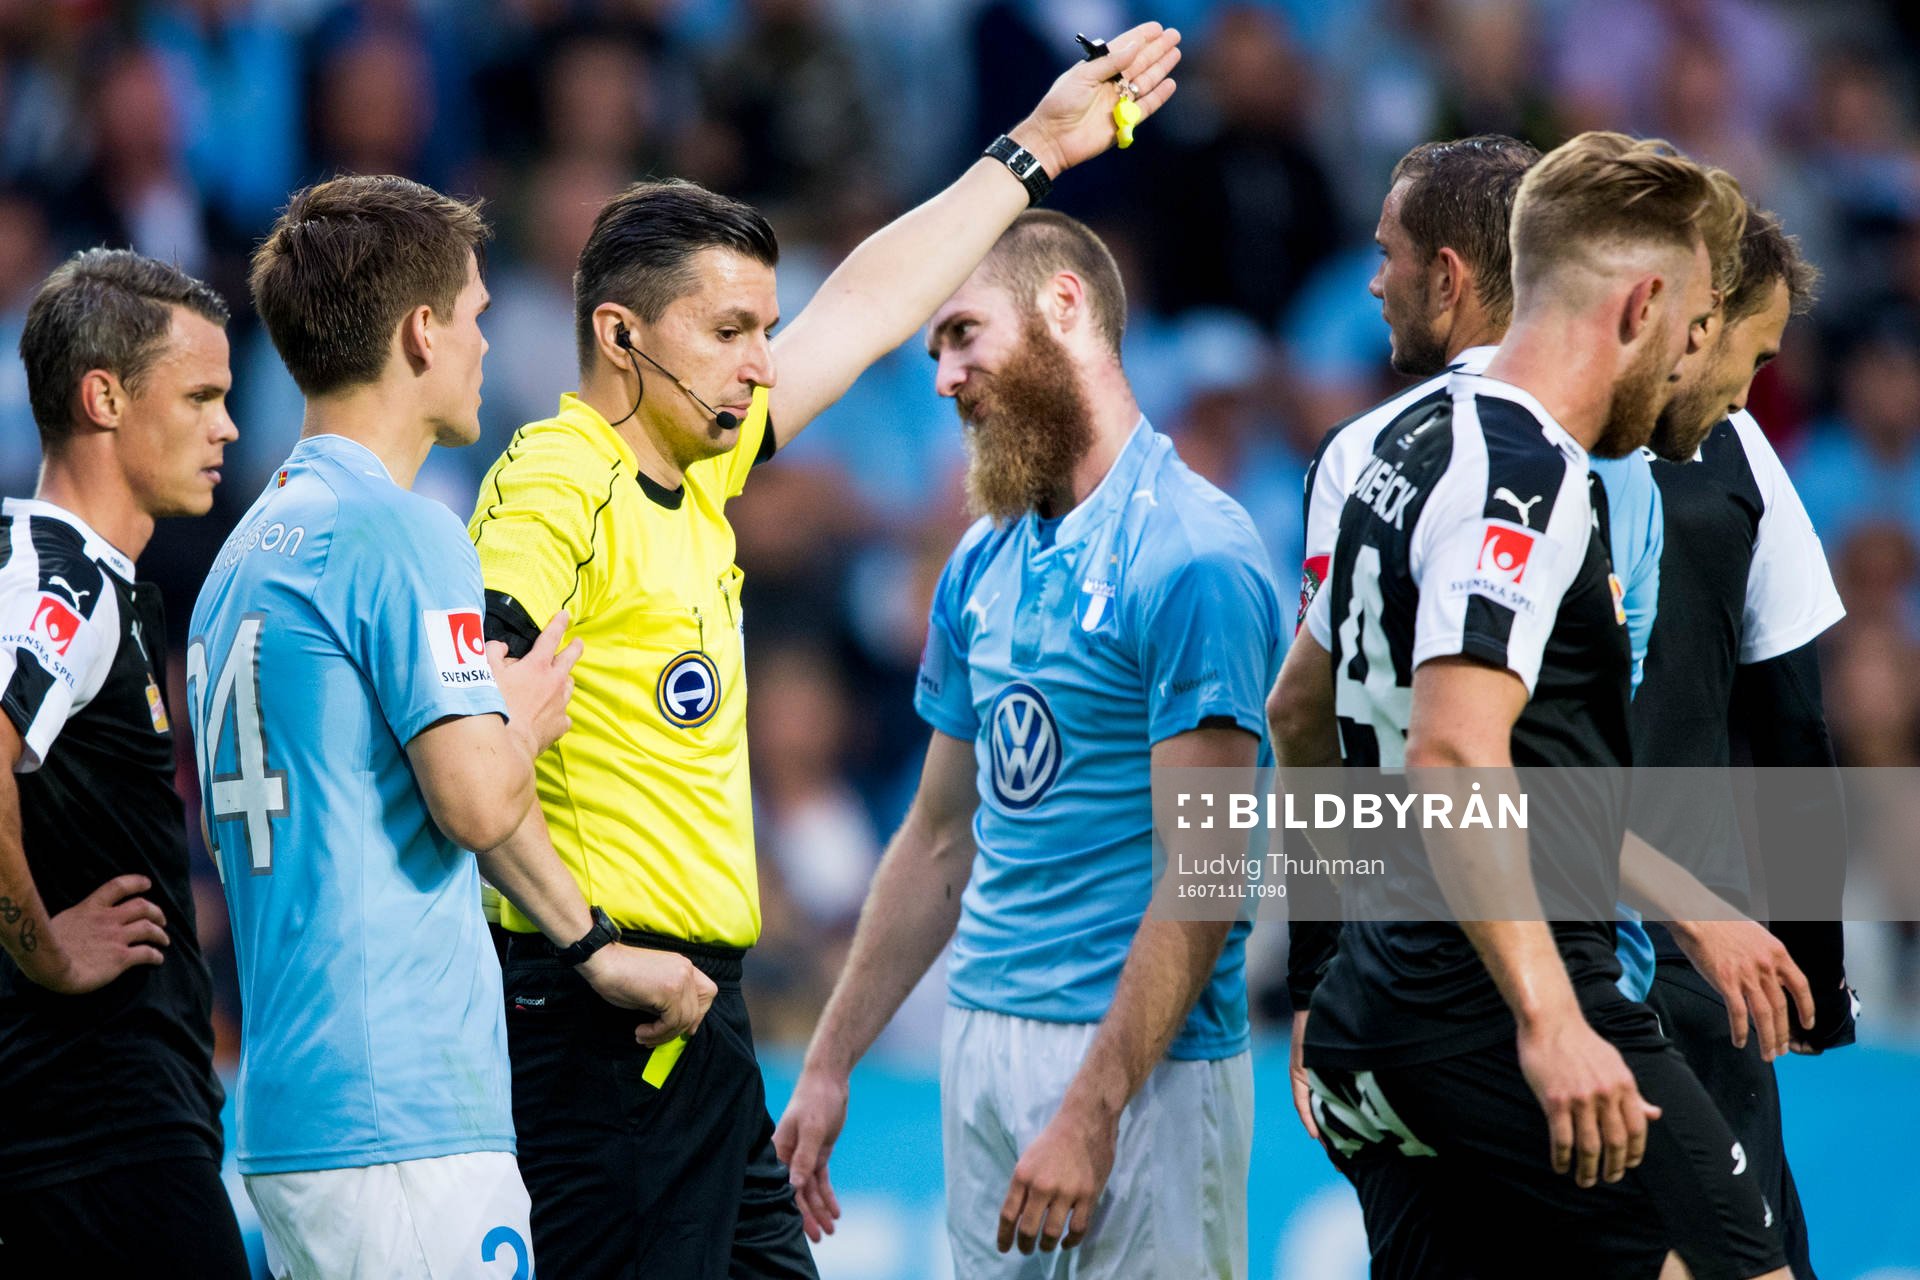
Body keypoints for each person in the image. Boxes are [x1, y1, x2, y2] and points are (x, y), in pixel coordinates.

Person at [467, 23, 1185, 1278]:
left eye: (765, 330)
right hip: (602, 1008)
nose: (762, 363)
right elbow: (466, 732)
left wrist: (1033, 151)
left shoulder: (692, 472)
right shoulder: (552, 484)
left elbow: (865, 300)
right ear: (624, 335)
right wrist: (592, 946)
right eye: (732, 330)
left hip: (698, 1011)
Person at [1268, 133, 1791, 1278]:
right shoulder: (1530, 476)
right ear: (1644, 304)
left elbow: (1301, 710)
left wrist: (1324, 967)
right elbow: (1457, 759)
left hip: (1376, 1009)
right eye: (1698, 328)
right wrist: (1553, 1020)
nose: (1694, 359)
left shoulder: (1397, 445)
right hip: (1497, 1003)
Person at [188, 174, 712, 1280]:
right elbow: (474, 796)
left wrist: (590, 944)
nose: (486, 341)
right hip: (403, 1110)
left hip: (290, 1105)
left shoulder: (245, 550)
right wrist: (512, 722)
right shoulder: (404, 534)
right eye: (474, 316)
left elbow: (398, 783)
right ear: (421, 332)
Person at [774, 211, 1282, 1278]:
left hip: (1141, 1070)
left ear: (1064, 306)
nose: (945, 377)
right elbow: (937, 839)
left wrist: (1092, 1110)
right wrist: (827, 1063)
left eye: (962, 335)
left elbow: (1208, 873)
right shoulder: (979, 560)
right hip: (981, 1040)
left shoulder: (1194, 556)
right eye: (933, 351)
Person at [0, 249, 246, 1276]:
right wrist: (46, 948)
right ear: (104, 396)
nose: (227, 425)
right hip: (95, 1125)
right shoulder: (56, 576)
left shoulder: (103, 581)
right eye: (199, 396)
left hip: (107, 1122)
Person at [1630, 203, 1858, 1279]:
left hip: (1501, 967)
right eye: (1753, 351)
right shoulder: (1738, 456)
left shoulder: (1469, 442)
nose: (1749, 388)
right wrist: (1816, 968)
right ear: (1696, 316)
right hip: (1685, 966)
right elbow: (1794, 720)